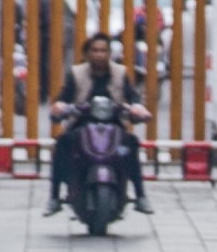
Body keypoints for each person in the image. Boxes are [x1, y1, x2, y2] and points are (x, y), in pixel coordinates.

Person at [47, 33, 151, 216]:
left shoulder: (121, 72)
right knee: (62, 144)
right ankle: (54, 197)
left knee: (131, 144)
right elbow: (63, 97)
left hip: (114, 124)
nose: (99, 55)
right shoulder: (76, 73)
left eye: (103, 50)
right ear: (87, 53)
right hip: (81, 124)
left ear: (110, 53)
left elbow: (133, 96)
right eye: (95, 50)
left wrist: (137, 108)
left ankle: (141, 196)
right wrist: (60, 106)